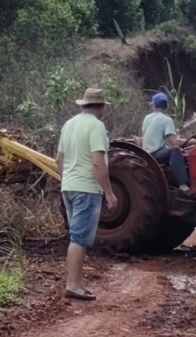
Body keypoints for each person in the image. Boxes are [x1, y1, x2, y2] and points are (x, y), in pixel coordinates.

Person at [56, 88, 118, 301]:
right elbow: (97, 162)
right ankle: (73, 285)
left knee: (77, 235)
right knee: (79, 238)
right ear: (100, 107)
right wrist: (109, 193)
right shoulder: (96, 126)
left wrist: (67, 179)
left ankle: (77, 283)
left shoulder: (69, 125)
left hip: (69, 186)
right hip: (86, 188)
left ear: (83, 105)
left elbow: (58, 160)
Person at [141, 92, 196, 194]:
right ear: (166, 106)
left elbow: (156, 137)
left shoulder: (147, 118)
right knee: (175, 150)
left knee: (183, 156)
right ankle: (183, 185)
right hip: (154, 154)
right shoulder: (166, 120)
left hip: (147, 153)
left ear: (153, 105)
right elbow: (175, 142)